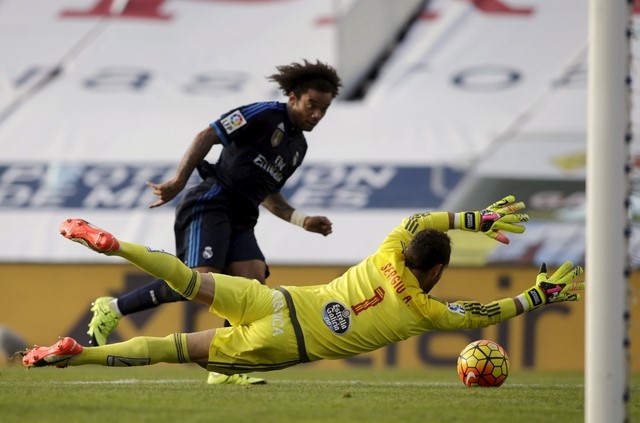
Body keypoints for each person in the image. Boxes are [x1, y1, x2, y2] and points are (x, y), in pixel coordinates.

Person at [22, 195, 585, 374]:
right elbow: (483, 312)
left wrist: (473, 221)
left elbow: (421, 219)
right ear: (435, 271)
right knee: (171, 350)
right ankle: (77, 358)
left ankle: (116, 244)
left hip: (275, 297)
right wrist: (537, 296)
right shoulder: (425, 311)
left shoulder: (389, 247)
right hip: (281, 341)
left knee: (193, 279)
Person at [85, 60, 342, 385]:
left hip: (243, 217)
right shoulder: (262, 113)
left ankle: (223, 368)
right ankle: (114, 308)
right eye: (312, 105)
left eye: (324, 109)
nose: (317, 114)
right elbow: (208, 134)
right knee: (201, 282)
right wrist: (178, 181)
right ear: (293, 97)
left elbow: (269, 194)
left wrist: (303, 220)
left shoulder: (298, 147)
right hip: (212, 202)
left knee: (251, 287)